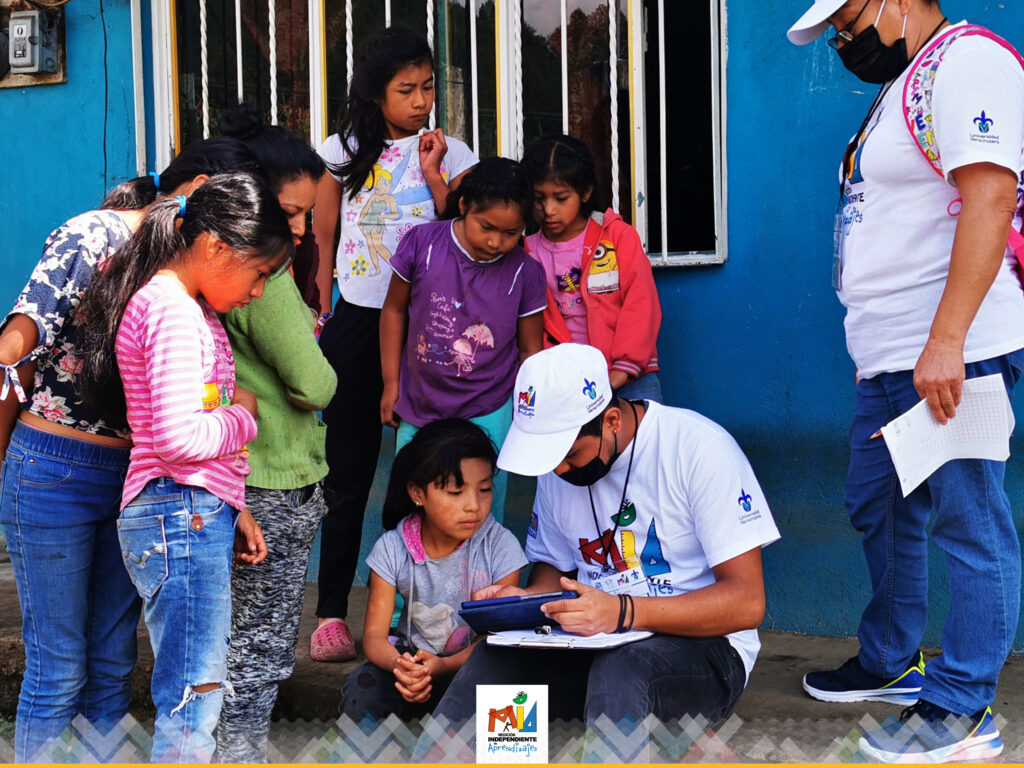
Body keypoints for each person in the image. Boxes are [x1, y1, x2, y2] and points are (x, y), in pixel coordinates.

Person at [787, 0, 1024, 762]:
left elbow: (990, 196)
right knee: (878, 502)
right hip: (889, 355)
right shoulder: (904, 83)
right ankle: (891, 660)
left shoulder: (968, 62)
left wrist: (948, 339)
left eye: (847, 19)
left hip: (953, 349)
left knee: (968, 518)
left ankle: (964, 706)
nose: (841, 38)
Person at [0, 137, 262, 762]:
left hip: (139, 481)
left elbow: (186, 407)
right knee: (58, 665)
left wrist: (231, 502)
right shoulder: (94, 237)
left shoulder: (188, 280)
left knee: (114, 661)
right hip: (53, 467)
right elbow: (15, 348)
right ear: (205, 197)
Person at [425, 343, 779, 740]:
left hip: (701, 647)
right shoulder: (556, 469)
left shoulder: (698, 449)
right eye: (550, 459)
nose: (560, 470)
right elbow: (553, 572)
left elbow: (747, 602)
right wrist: (524, 601)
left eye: (571, 454)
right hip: (590, 641)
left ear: (611, 421)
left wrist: (622, 612)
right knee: (495, 660)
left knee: (623, 669)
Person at [76, 173, 293, 762]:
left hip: (188, 510)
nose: (257, 293)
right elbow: (177, 438)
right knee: (192, 702)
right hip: (180, 512)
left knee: (193, 694)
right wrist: (245, 417)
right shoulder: (173, 310)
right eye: (259, 274)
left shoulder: (180, 304)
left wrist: (233, 506)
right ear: (218, 247)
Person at [311, 23, 478, 663]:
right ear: (375, 93)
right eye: (406, 89)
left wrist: (435, 171)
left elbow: (470, 229)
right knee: (346, 473)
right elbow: (322, 238)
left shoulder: (451, 152)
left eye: (428, 87)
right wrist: (323, 308)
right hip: (357, 323)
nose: (421, 101)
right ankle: (331, 613)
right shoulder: (342, 151)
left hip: (430, 326)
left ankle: (414, 614)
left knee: (422, 474)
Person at [215, 104, 338, 763]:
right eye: (289, 211)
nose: (298, 229)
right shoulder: (267, 277)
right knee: (259, 645)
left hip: (237, 474)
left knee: (233, 639)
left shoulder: (218, 268)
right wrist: (313, 380)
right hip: (270, 477)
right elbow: (316, 384)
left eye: (306, 216)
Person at [379, 157, 546, 520]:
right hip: (419, 403)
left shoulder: (526, 272)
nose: (496, 242)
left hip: (489, 408)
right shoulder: (422, 244)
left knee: (481, 511)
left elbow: (530, 350)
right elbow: (393, 311)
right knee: (410, 505)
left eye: (511, 233)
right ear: (464, 205)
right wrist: (392, 384)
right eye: (486, 227)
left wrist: (527, 411)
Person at [340, 419, 527, 722]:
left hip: (479, 663)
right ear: (417, 493)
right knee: (364, 688)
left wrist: (443, 666)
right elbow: (374, 637)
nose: (473, 505)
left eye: (484, 489)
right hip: (413, 663)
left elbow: (498, 639)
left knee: (516, 692)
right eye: (455, 492)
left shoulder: (500, 546)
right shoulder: (393, 548)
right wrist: (402, 667)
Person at [521, 134, 662, 402]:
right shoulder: (527, 252)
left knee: (645, 431)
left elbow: (641, 304)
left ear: (585, 192)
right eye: (539, 199)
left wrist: (623, 369)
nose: (548, 210)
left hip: (628, 375)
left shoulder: (617, 237)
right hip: (563, 384)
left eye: (561, 198)